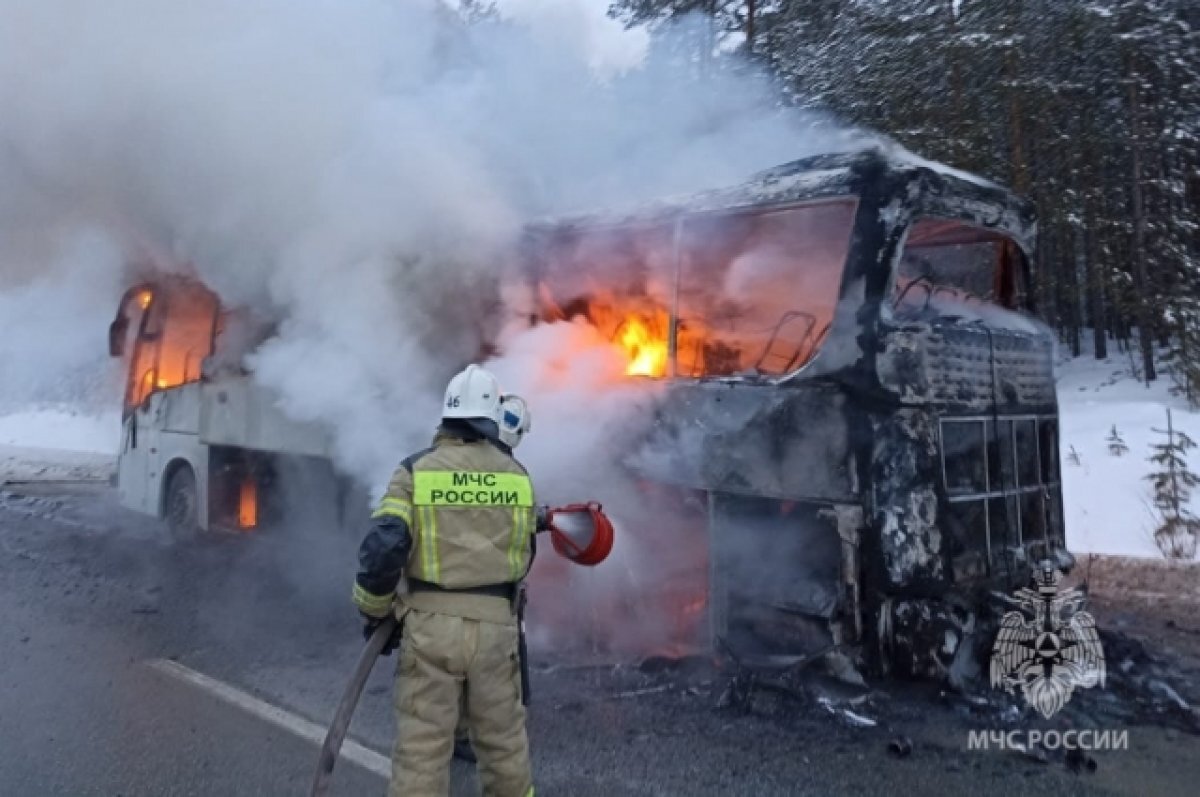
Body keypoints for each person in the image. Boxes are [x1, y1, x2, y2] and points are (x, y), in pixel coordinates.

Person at [353, 365, 539, 797]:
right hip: (496, 629)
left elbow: (384, 546)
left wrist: (375, 611)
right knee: (504, 749)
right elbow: (525, 554)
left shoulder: (415, 471)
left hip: (430, 630)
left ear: (447, 415)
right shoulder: (518, 477)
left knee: (422, 750)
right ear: (493, 416)